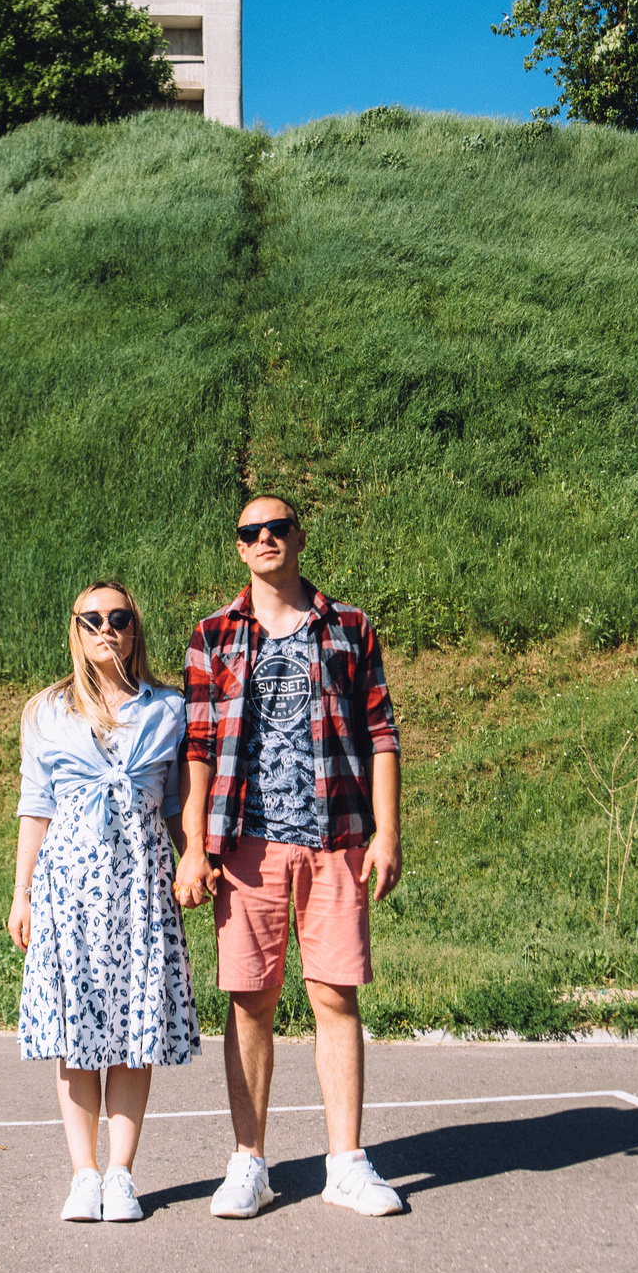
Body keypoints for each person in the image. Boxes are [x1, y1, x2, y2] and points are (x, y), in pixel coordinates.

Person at [173, 495, 406, 1218]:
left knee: (336, 996)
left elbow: (381, 734)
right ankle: (249, 1162)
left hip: (335, 837)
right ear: (240, 548)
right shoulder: (213, 634)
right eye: (251, 531)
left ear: (299, 538)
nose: (266, 537)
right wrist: (193, 847)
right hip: (246, 844)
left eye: (278, 527)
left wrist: (388, 832)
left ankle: (347, 1161)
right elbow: (199, 750)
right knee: (251, 1003)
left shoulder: (348, 626)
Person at [9, 580, 201, 1223]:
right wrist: (22, 895)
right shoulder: (45, 712)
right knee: (74, 1032)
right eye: (91, 619)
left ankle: (121, 1174)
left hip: (140, 889)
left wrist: (194, 861)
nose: (105, 629)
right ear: (74, 628)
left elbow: (176, 807)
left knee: (132, 1032)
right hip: (68, 890)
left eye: (118, 619)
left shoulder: (168, 710)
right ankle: (82, 1176)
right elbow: (35, 809)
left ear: (133, 628)